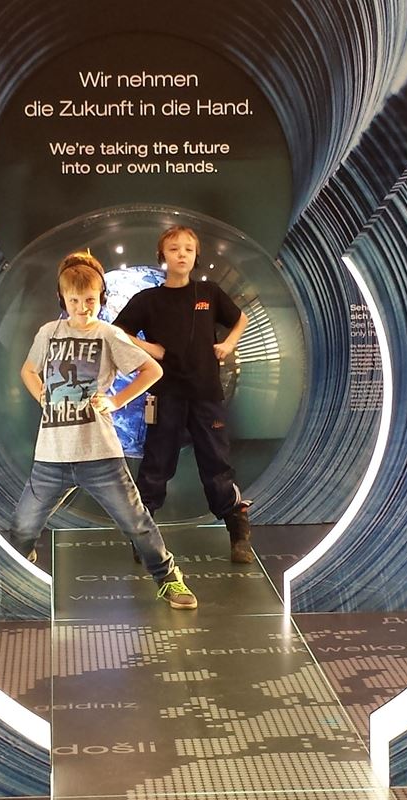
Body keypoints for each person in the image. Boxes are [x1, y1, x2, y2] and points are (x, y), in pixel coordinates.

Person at [9, 250, 198, 609]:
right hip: (51, 455)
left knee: (137, 523)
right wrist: (42, 396)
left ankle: (168, 578)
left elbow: (152, 370)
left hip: (100, 455)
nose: (83, 308)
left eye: (90, 300)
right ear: (63, 299)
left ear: (101, 298)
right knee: (22, 527)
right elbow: (28, 371)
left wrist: (116, 400)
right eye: (75, 301)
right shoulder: (48, 332)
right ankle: (21, 569)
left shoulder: (108, 334)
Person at [113, 225, 254, 563]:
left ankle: (239, 535)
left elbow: (241, 319)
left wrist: (228, 344)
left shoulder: (210, 293)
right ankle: (143, 540)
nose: (182, 254)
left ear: (196, 256)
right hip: (165, 395)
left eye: (189, 249)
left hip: (206, 394)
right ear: (162, 255)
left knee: (217, 465)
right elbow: (116, 331)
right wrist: (151, 349)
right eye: (174, 248)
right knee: (155, 466)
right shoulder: (148, 299)